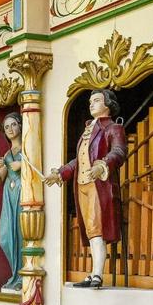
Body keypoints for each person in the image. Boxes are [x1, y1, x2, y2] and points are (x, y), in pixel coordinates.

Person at [44, 89, 128, 288]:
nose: (91, 104)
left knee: (97, 230)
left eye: (97, 100)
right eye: (90, 101)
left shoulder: (114, 128)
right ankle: (93, 273)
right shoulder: (87, 130)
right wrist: (60, 173)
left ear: (107, 104)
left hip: (100, 186)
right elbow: (78, 161)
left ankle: (97, 274)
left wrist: (103, 164)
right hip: (82, 185)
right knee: (91, 231)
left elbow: (119, 151)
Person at [0, 112, 24, 291]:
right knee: (5, 237)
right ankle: (15, 273)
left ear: (20, 125)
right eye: (7, 127)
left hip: (21, 194)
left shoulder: (27, 148)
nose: (10, 129)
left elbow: (35, 167)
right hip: (8, 196)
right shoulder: (7, 153)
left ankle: (23, 276)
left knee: (20, 235)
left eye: (13, 125)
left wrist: (23, 165)